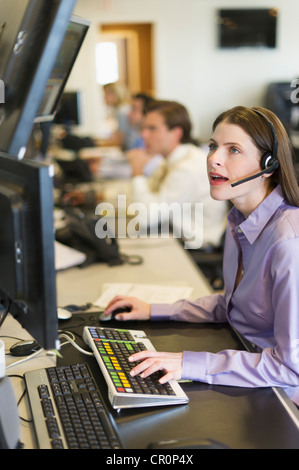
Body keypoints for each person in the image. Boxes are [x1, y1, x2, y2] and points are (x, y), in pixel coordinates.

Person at [104, 106, 299, 405]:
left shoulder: (288, 243)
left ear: (269, 164)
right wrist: (155, 309)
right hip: (244, 365)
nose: (213, 159)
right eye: (213, 146)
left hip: (280, 394)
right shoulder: (238, 219)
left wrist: (189, 363)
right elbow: (232, 307)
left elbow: (290, 369)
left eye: (233, 150)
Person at [127, 100, 228, 249]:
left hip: (196, 249)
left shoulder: (187, 169)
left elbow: (145, 217)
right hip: (174, 236)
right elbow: (149, 197)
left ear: (176, 133)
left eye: (152, 129)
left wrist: (137, 172)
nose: (144, 135)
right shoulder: (173, 160)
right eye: (144, 128)